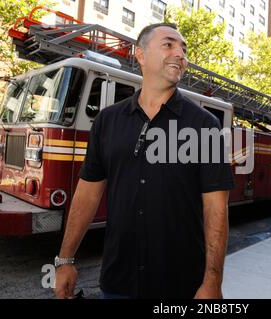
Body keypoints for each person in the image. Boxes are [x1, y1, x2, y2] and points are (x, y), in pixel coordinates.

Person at [54, 23, 234, 299]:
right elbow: (87, 194)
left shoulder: (205, 126)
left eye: (184, 50)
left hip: (182, 286)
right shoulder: (107, 120)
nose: (180, 54)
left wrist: (213, 282)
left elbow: (216, 208)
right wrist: (65, 260)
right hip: (117, 284)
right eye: (169, 44)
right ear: (140, 54)